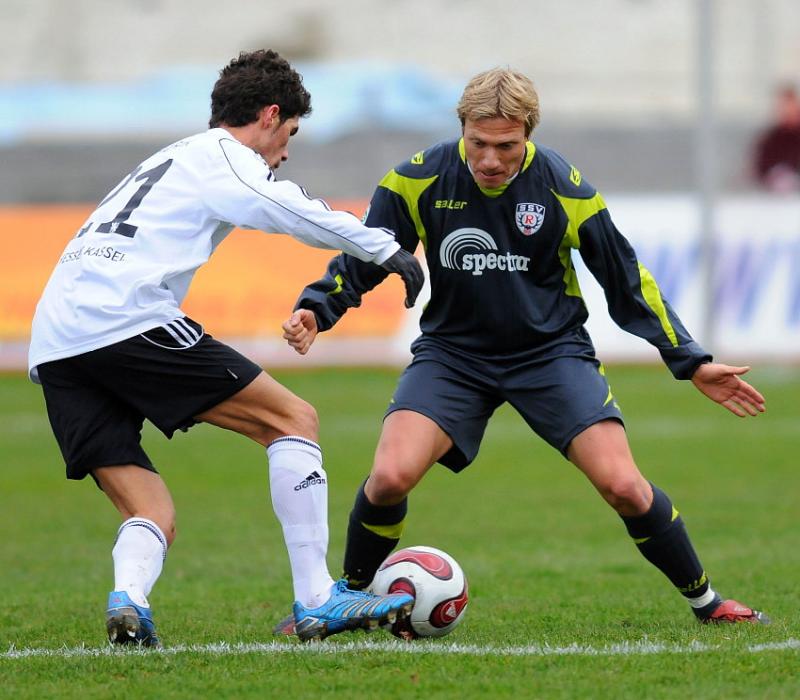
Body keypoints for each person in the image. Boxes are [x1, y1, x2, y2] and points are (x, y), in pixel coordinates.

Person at [281, 67, 769, 634]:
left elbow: (625, 279)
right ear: (462, 129)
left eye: (506, 147)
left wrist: (691, 360)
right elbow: (367, 254)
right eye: (478, 144)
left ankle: (707, 602)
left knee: (624, 486)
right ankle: (345, 601)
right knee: (389, 476)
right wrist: (318, 308)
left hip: (551, 354)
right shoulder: (416, 180)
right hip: (453, 355)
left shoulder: (565, 186)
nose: (490, 160)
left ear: (528, 136)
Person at [28, 49, 424, 647]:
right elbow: (283, 207)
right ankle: (317, 598)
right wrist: (382, 249)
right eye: (287, 135)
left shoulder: (169, 157)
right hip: (123, 316)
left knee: (150, 509)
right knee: (293, 420)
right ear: (269, 116)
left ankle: (128, 603)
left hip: (57, 342)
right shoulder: (224, 156)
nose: (284, 153)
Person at [753, 84, 800, 192]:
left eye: (789, 105)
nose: (786, 110)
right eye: (782, 106)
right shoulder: (771, 138)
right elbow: (761, 167)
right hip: (777, 200)